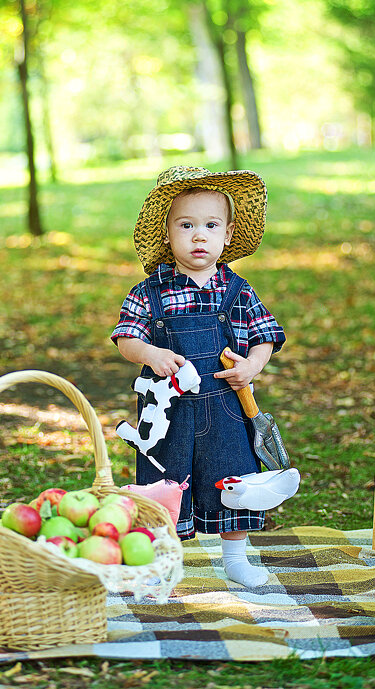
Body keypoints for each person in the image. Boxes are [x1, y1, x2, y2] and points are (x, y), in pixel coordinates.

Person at [111, 166, 286, 588]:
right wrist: (150, 353)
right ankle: (159, 559)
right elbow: (125, 336)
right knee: (163, 480)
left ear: (227, 235)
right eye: (186, 225)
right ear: (167, 234)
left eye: (211, 226)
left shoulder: (237, 289)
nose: (199, 236)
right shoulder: (149, 291)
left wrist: (251, 366)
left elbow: (266, 336)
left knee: (234, 475)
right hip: (166, 412)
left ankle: (235, 557)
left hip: (227, 405)